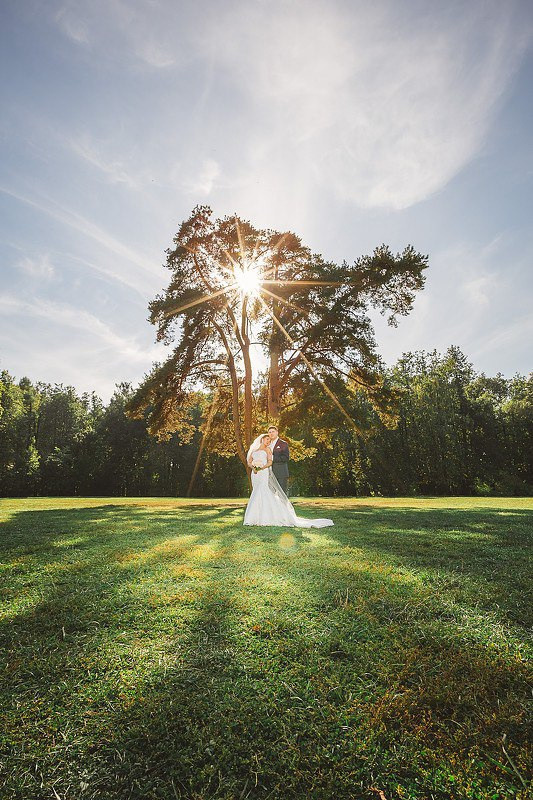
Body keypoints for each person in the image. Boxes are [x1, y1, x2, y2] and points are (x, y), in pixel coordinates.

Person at [243, 432, 334, 528]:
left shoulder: (268, 450)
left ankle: (265, 517)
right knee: (256, 491)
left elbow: (270, 462)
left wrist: (262, 467)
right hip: (255, 474)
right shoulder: (254, 450)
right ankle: (253, 517)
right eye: (267, 439)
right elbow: (249, 461)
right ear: (262, 439)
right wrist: (254, 468)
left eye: (269, 440)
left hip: (263, 472)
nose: (268, 441)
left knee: (263, 490)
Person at [267, 425, 290, 495]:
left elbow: (286, 458)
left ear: (277, 432)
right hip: (268, 474)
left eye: (273, 432)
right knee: (270, 495)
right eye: (269, 432)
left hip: (281, 473)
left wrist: (273, 458)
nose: (271, 433)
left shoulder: (283, 444)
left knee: (282, 495)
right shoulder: (267, 444)